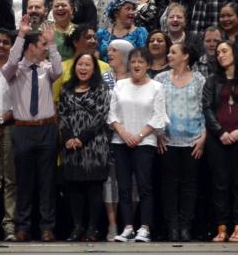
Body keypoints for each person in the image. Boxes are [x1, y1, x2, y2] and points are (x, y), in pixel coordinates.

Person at [2, 19, 62, 242]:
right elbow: (8, 66)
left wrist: (52, 43)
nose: (45, 49)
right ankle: (23, 226)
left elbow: (59, 70)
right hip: (23, 130)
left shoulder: (47, 69)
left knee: (47, 181)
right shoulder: (15, 71)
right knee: (24, 181)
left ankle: (47, 227)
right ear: (31, 48)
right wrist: (20, 36)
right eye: (42, 45)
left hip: (47, 128)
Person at [108, 47, 167, 243]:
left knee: (144, 186)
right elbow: (111, 114)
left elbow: (159, 116)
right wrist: (124, 133)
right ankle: (127, 227)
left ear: (148, 65)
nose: (136, 65)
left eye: (141, 62)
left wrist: (139, 135)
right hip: (120, 141)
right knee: (123, 187)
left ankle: (145, 227)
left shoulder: (157, 87)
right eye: (133, 61)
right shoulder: (120, 85)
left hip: (145, 142)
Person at [153, 42, 206, 242]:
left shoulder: (199, 79)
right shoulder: (160, 79)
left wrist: (203, 137)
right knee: (168, 185)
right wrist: (158, 133)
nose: (169, 55)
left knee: (189, 186)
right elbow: (156, 109)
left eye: (173, 52)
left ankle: (186, 226)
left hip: (193, 141)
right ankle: (172, 226)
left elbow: (204, 108)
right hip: (168, 140)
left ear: (185, 56)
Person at [58, 52, 111, 242]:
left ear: (94, 68)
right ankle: (77, 226)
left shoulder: (102, 88)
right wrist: (68, 138)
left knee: (94, 187)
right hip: (70, 145)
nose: (83, 68)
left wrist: (82, 138)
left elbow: (101, 115)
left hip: (94, 145)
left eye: (87, 65)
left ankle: (92, 228)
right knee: (74, 187)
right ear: (75, 67)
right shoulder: (66, 88)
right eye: (80, 64)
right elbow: (62, 115)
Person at [203, 39, 238, 242]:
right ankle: (221, 227)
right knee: (220, 184)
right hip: (218, 139)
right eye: (218, 52)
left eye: (224, 51)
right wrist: (220, 131)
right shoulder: (212, 80)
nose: (220, 55)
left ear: (234, 53)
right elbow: (207, 108)